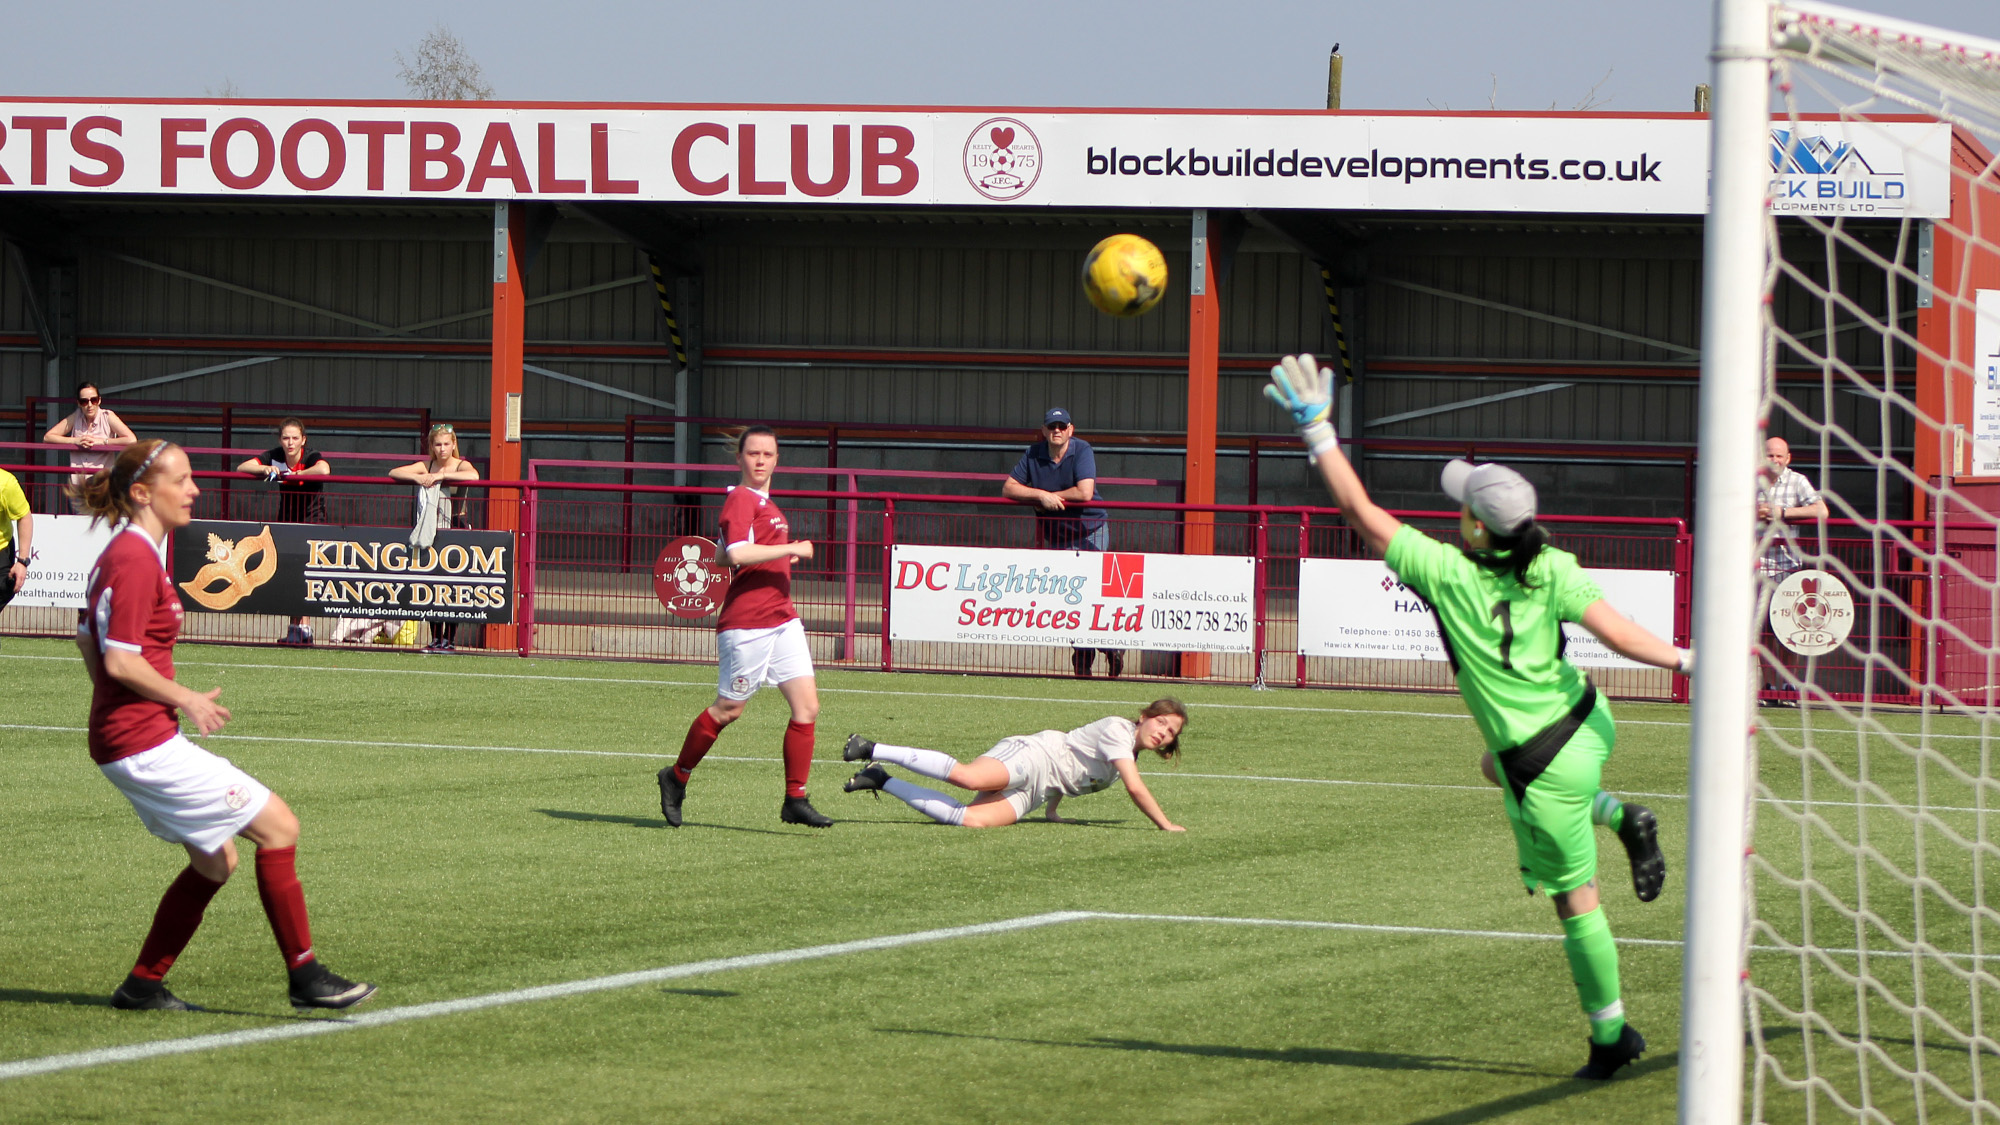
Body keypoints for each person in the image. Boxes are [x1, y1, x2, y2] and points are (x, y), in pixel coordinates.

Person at [1264, 353, 1692, 1081]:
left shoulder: (1447, 571)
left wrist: (1319, 433)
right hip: (1589, 719)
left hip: (1543, 765)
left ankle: (1610, 1035)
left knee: (1577, 902)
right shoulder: (1551, 564)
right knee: (1491, 765)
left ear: (1475, 527)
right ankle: (1620, 817)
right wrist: (1686, 659)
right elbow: (1619, 633)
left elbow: (1359, 513)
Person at [70, 440, 375, 1013]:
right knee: (280, 826)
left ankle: (142, 986)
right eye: (181, 480)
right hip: (143, 744)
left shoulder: (127, 552)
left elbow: (87, 637)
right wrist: (182, 698)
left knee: (217, 861)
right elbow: (121, 661)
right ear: (143, 492)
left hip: (130, 739)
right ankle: (306, 976)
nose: (194, 490)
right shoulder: (134, 558)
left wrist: (117, 710)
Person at [657, 425, 833, 829]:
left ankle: (795, 799)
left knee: (807, 707)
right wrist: (790, 548)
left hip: (782, 618)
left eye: (767, 454)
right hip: (748, 622)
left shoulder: (765, 504)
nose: (760, 460)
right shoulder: (740, 497)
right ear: (739, 458)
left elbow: (722, 556)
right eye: (753, 453)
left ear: (777, 460)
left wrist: (774, 556)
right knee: (729, 709)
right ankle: (676, 776)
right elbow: (737, 552)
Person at [841, 699, 1188, 830]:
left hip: (1039, 790)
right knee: (969, 778)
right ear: (1144, 717)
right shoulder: (1119, 731)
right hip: (1033, 756)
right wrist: (1165, 824)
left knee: (971, 820)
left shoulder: (1126, 754)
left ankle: (880, 778)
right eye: (1161, 722)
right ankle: (871, 748)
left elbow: (1075, 768)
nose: (1163, 732)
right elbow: (1135, 788)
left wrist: (1052, 810)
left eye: (1170, 732)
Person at [1001, 407, 1120, 678]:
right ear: (1044, 431)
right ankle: (1087, 654)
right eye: (1052, 426)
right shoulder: (1033, 453)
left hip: (1091, 531)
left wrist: (1049, 496)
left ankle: (1107, 647)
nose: (1057, 430)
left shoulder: (1082, 449)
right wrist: (1040, 496)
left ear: (1070, 430)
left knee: (1091, 595)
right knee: (1069, 600)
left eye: (1062, 426)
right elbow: (1008, 488)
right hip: (1057, 536)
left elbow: (1085, 492)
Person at [238, 419, 331, 645]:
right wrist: (265, 468)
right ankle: (294, 629)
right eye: (286, 438)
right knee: (291, 574)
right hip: (287, 521)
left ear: (303, 440)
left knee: (306, 575)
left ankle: (305, 628)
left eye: (295, 438)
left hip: (311, 521)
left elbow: (324, 469)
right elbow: (243, 467)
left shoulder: (311, 455)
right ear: (280, 440)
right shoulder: (275, 455)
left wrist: (295, 475)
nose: (290, 443)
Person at [389, 424, 480, 653]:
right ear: (431, 446)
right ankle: (435, 637)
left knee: (453, 586)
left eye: (446, 444)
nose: (442, 449)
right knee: (431, 583)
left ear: (454, 444)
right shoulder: (426, 465)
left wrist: (442, 476)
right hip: (431, 527)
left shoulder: (460, 464)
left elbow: (473, 475)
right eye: (438, 444)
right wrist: (419, 478)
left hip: (456, 526)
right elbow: (394, 472)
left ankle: (450, 638)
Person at [1756, 435, 1829, 706]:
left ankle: (1787, 685)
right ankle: (1767, 686)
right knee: (1761, 630)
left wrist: (1782, 513)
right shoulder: (1749, 480)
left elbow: (1822, 511)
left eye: (1779, 456)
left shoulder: (1797, 481)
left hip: (1787, 566)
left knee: (1787, 628)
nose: (1774, 460)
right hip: (1755, 567)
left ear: (1788, 459)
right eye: (1770, 455)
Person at [43, 381, 137, 501]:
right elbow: (48, 437)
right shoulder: (76, 417)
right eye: (84, 401)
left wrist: (102, 442)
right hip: (79, 486)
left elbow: (131, 439)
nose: (89, 405)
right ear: (79, 403)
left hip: (102, 485)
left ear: (99, 400)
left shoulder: (107, 416)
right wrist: (76, 441)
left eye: (94, 400)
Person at [0, 464, 33, 613]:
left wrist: (22, 561)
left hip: (2, 551)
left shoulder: (5, 483)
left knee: (6, 588)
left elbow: (24, 517)